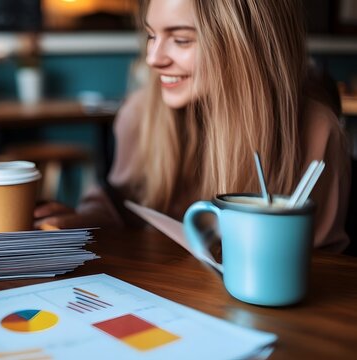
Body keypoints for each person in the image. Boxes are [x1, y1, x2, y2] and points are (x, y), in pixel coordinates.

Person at [35, 0, 351, 252]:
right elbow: (119, 205)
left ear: (247, 44)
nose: (153, 58)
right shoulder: (140, 113)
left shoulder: (316, 132)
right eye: (151, 36)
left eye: (182, 39)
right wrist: (81, 220)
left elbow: (323, 267)